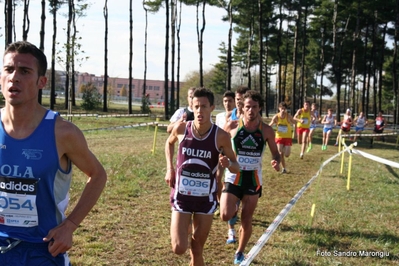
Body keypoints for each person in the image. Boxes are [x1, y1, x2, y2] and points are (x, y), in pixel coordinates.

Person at [0, 41, 107, 265]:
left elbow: (97, 175)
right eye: (9, 69)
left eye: (25, 71)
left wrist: (70, 225)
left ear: (42, 82)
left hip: (43, 250)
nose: (14, 77)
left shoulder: (62, 132)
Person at [165, 87, 239, 266]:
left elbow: (236, 166)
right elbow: (168, 143)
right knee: (179, 248)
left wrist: (227, 164)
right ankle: (185, 225)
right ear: (191, 106)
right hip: (182, 196)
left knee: (197, 249)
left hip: (205, 199)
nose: (199, 111)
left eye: (204, 106)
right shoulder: (182, 128)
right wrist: (170, 169)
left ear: (212, 108)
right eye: (196, 106)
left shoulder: (220, 136)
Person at [220, 90, 280, 264]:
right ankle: (235, 204)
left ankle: (240, 252)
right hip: (233, 175)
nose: (251, 110)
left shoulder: (267, 130)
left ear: (260, 108)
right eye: (248, 107)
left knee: (247, 218)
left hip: (253, 179)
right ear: (242, 108)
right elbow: (219, 148)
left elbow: (276, 154)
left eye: (254, 107)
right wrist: (221, 159)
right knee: (225, 214)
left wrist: (276, 162)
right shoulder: (232, 126)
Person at [220, 86, 250, 245]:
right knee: (229, 207)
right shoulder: (230, 118)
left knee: (242, 207)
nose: (238, 102)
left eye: (241, 99)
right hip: (232, 166)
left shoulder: (253, 118)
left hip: (249, 169)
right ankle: (231, 232)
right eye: (237, 99)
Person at [269, 102, 295, 173]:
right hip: (279, 137)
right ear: (279, 108)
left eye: (284, 109)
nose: (283, 110)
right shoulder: (276, 117)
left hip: (287, 137)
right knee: (280, 154)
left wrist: (296, 121)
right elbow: (270, 124)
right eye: (281, 108)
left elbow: (294, 122)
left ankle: (283, 151)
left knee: (286, 155)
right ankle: (283, 168)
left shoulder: (288, 116)